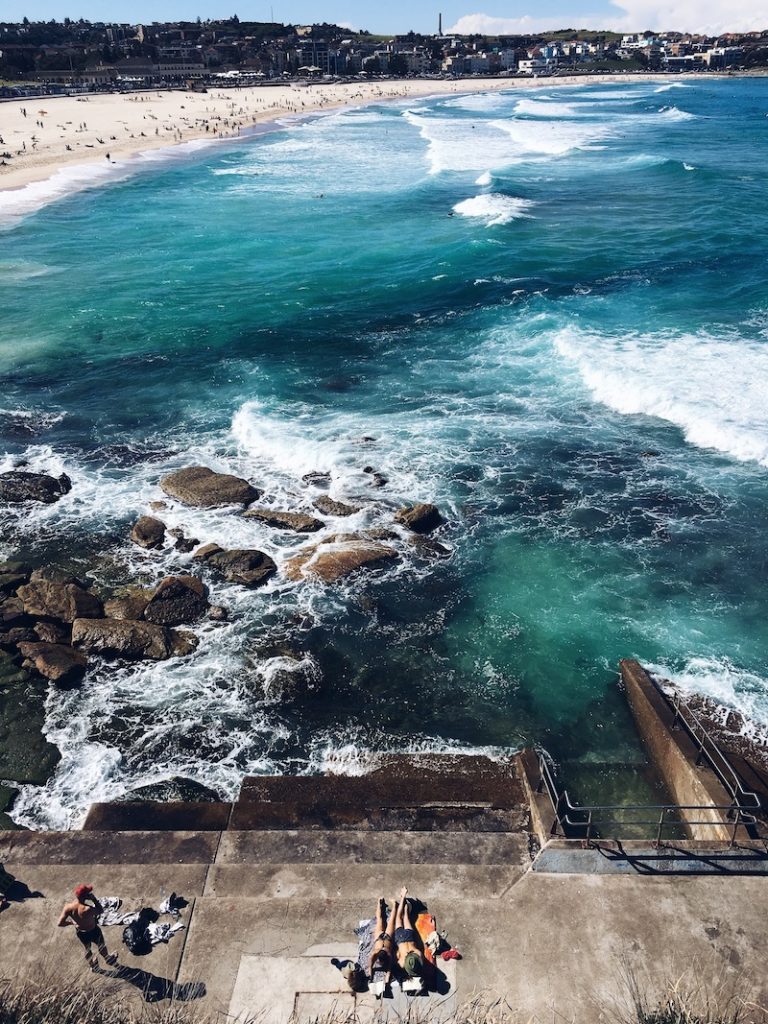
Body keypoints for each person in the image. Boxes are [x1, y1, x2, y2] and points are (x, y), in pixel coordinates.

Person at [58, 884, 117, 970]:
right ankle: (108, 959)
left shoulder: (68, 907)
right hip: (93, 931)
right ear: (85, 896)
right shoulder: (87, 909)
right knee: (101, 946)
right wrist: (94, 899)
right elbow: (100, 911)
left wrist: (71, 922)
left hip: (81, 933)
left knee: (87, 948)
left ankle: (92, 965)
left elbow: (60, 923)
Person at [393, 886, 424, 980]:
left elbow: (419, 946)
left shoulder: (419, 955)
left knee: (405, 917)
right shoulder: (401, 963)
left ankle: (405, 904)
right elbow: (397, 953)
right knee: (398, 917)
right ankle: (403, 899)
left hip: (410, 937)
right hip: (400, 938)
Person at [367, 896, 395, 982]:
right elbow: (370, 969)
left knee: (387, 921)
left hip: (386, 939)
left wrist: (371, 978)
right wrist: (371, 978)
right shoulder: (387, 955)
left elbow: (370, 968)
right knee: (383, 920)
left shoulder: (375, 955)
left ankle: (389, 904)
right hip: (380, 938)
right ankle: (380, 903)